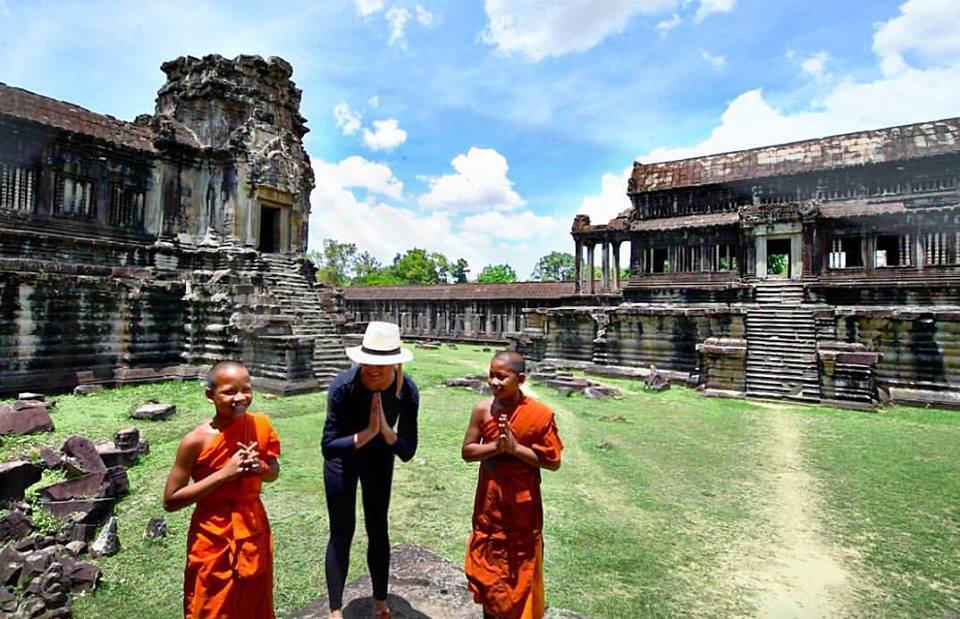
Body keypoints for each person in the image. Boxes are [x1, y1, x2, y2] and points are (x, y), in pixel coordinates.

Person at [163, 360, 281, 619]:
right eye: (229, 392)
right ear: (210, 395)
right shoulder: (195, 441)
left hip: (253, 529)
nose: (240, 397)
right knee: (210, 605)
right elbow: (170, 500)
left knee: (255, 603)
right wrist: (223, 474)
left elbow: (274, 471)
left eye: (246, 389)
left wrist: (260, 467)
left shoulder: (261, 425)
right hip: (212, 534)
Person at [321, 321, 419, 619]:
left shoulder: (407, 391)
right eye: (368, 363)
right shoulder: (343, 387)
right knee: (342, 531)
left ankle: (380, 602)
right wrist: (367, 432)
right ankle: (336, 610)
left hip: (379, 458)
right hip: (343, 460)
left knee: (378, 529)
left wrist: (387, 433)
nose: (372, 370)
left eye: (381, 365)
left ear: (395, 364)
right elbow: (329, 445)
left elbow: (407, 450)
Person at [462, 351, 564, 619]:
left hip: (523, 505)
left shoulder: (539, 414)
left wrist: (516, 448)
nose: (494, 382)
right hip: (490, 500)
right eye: (491, 375)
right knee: (491, 571)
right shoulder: (483, 410)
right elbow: (467, 452)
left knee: (521, 569)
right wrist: (496, 446)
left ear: (520, 379)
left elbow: (552, 461)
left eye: (501, 377)